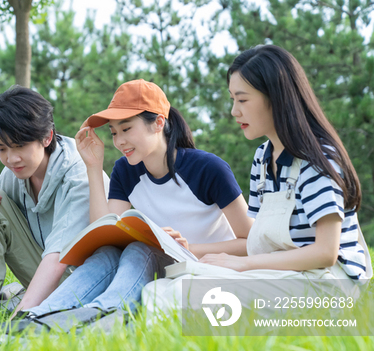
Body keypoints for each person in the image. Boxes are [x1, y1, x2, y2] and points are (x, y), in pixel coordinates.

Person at [142, 45, 371, 318]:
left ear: (276, 97)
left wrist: (242, 266)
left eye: (242, 100)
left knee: (183, 295)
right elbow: (256, 242)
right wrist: (191, 251)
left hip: (327, 285)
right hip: (280, 274)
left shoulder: (318, 159)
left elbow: (325, 252)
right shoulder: (263, 158)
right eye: (232, 100)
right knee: (159, 290)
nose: (233, 111)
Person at [24, 79, 253, 318]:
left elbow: (252, 242)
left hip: (203, 265)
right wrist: (93, 165)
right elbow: (103, 232)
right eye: (113, 132)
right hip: (159, 263)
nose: (119, 141)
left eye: (126, 129)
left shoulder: (208, 168)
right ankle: (39, 316)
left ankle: (103, 314)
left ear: (158, 123)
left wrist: (187, 248)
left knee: (139, 249)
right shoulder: (125, 170)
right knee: (108, 253)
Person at [0, 86, 106, 313]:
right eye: (1, 149)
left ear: (46, 137)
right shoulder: (15, 172)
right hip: (44, 275)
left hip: (84, 286)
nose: (11, 159)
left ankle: (16, 307)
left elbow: (58, 257)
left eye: (20, 146)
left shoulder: (78, 174)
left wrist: (21, 317)